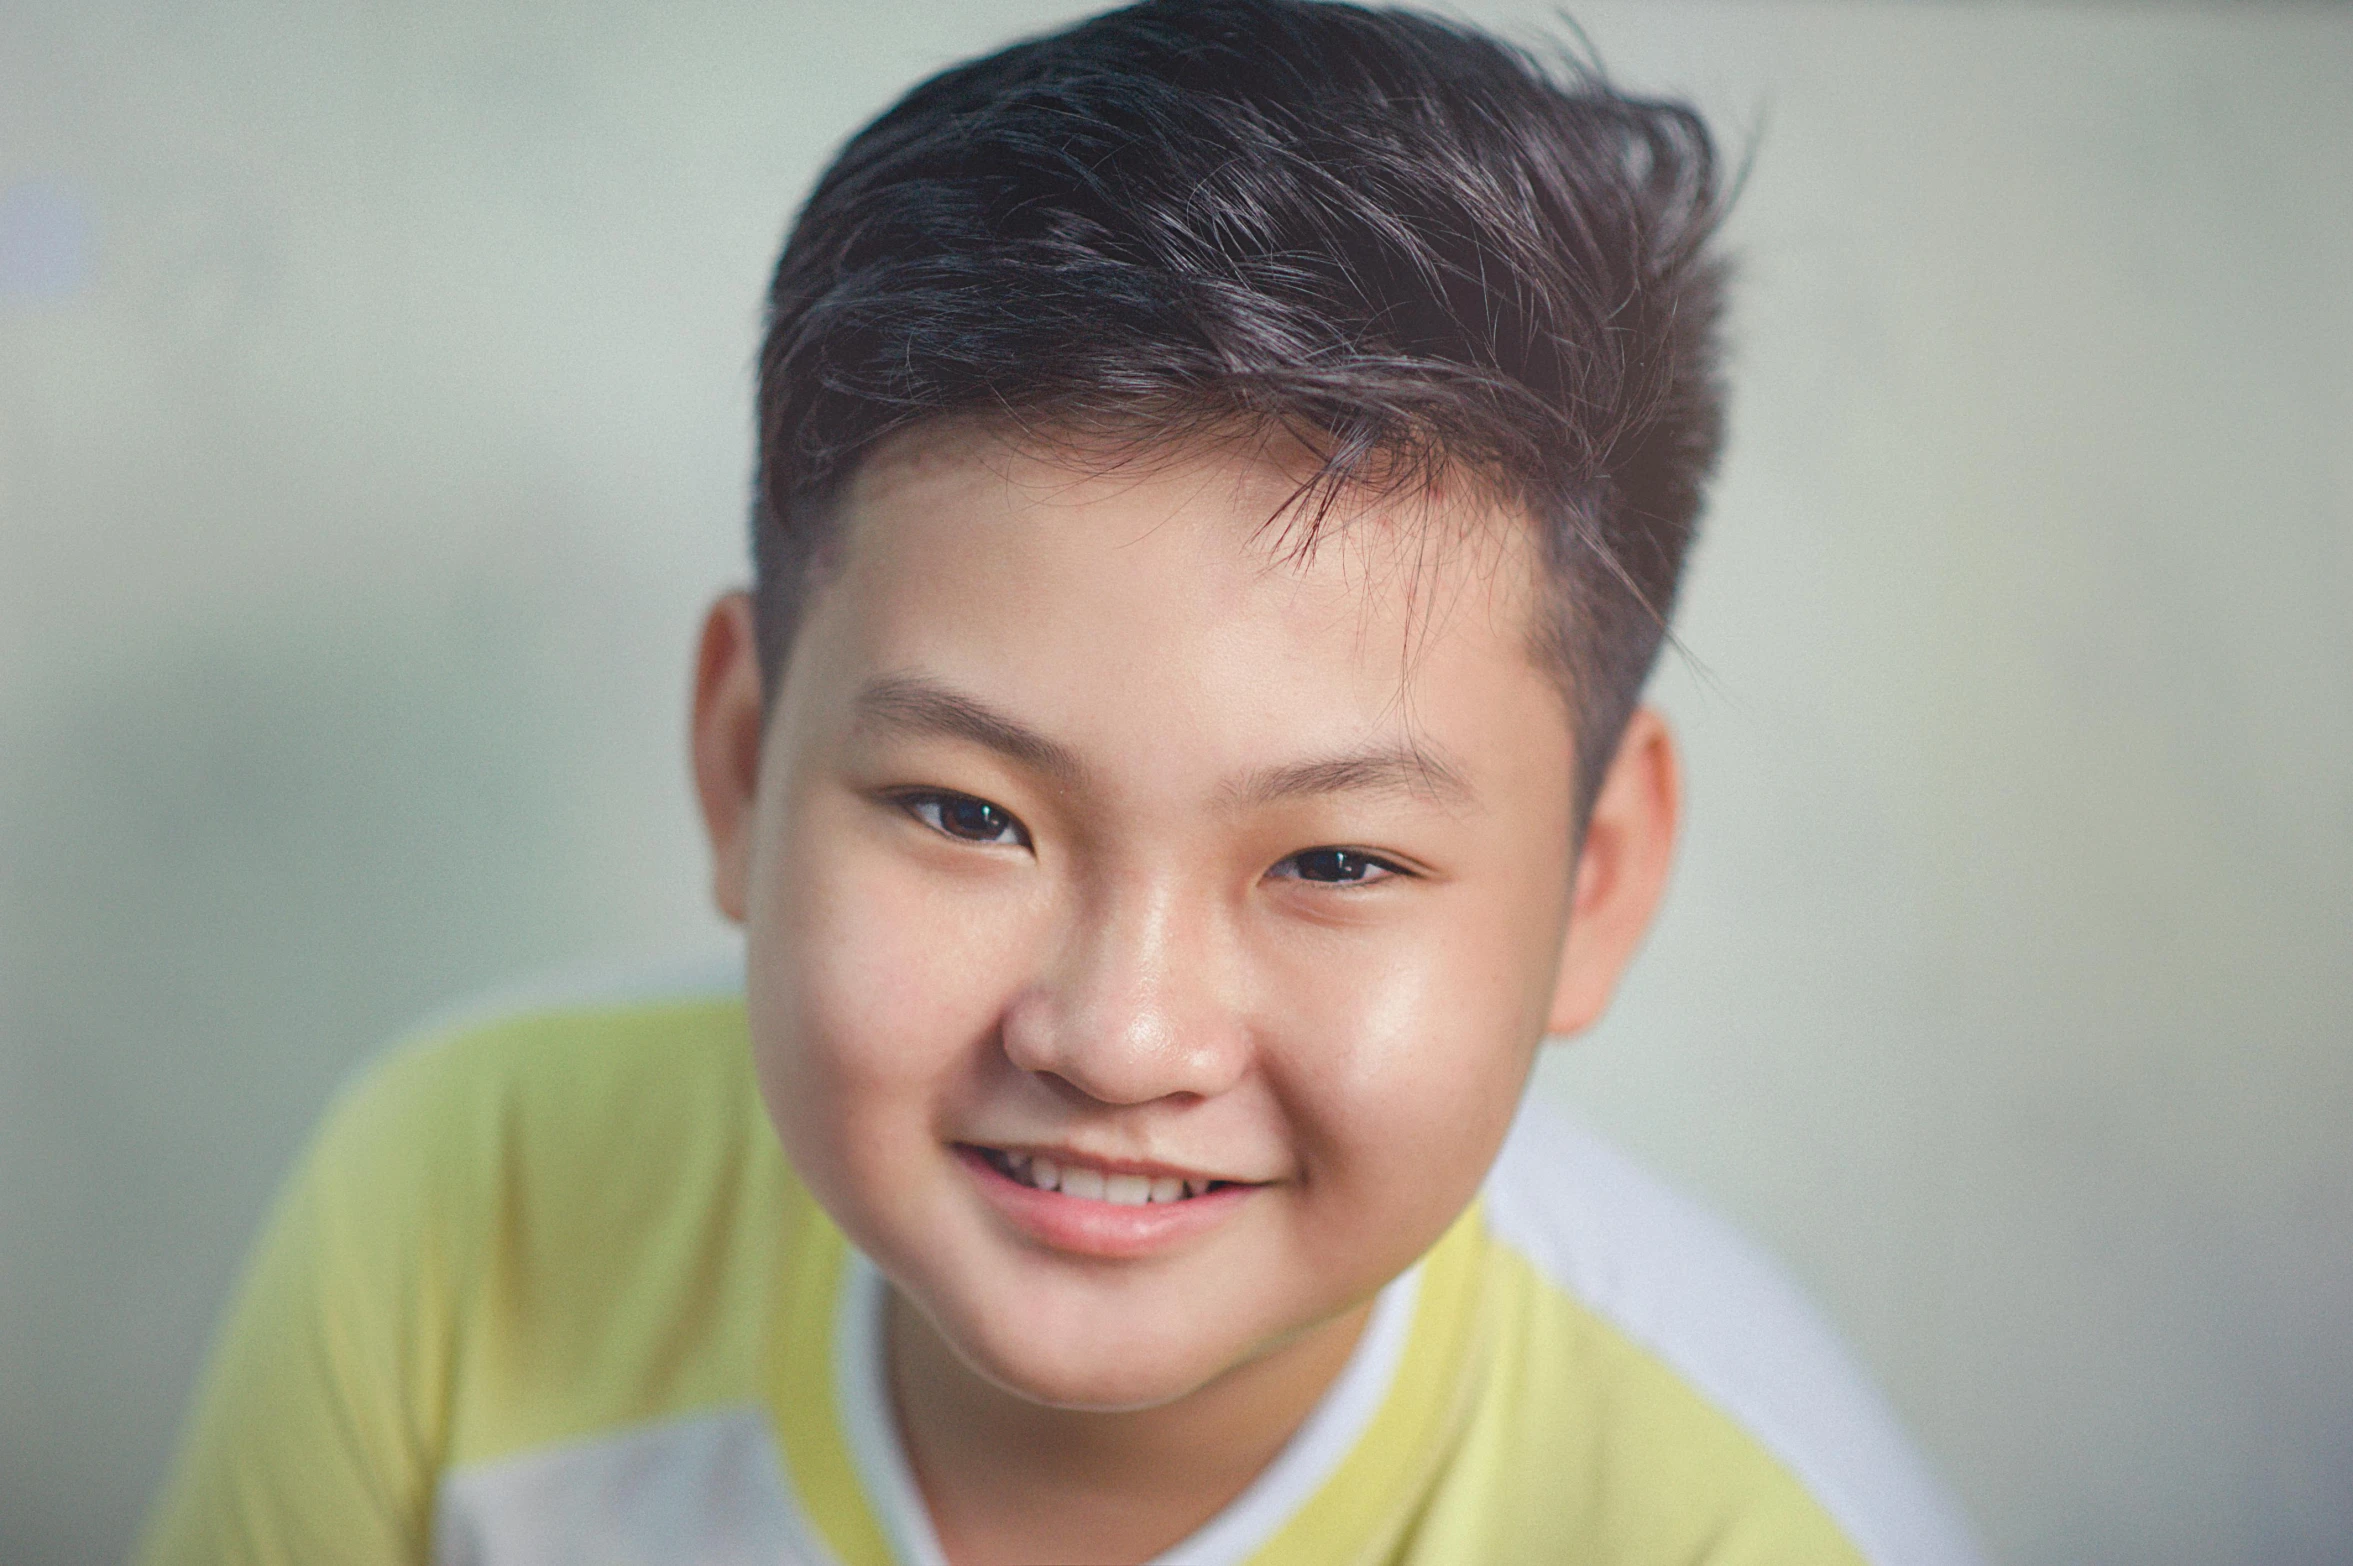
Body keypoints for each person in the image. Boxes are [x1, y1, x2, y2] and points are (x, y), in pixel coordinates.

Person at [140, 2, 1984, 1561]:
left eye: (1336, 858)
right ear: (741, 756)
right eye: (965, 812)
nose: (1119, 1036)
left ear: (1594, 880)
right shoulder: (465, 1220)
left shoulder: (1746, 1520)